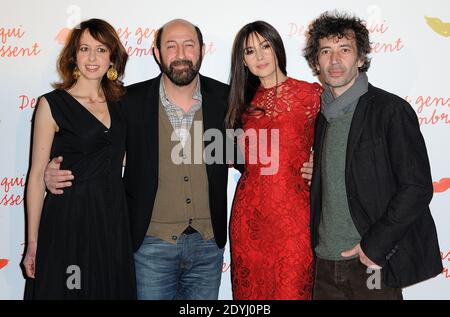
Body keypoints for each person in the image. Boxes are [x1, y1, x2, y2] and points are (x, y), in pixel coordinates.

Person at [44, 19, 231, 300]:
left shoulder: (227, 99)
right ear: (156, 53)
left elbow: (249, 157)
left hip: (208, 248)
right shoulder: (127, 101)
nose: (180, 53)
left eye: (188, 45)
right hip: (150, 246)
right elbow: (96, 146)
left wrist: (306, 162)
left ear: (202, 50)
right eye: (171, 45)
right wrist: (54, 170)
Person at [303, 11, 443, 300]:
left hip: (369, 264)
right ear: (316, 62)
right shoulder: (322, 116)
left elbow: (416, 188)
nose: (335, 60)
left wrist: (374, 247)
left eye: (345, 50)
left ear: (360, 58)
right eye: (326, 51)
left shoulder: (390, 111)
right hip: (324, 265)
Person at [22, 18, 136, 299]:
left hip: (113, 220)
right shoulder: (52, 104)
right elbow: (37, 176)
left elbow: (126, 158)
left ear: (112, 57)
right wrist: (32, 243)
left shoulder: (122, 103)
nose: (92, 58)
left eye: (101, 49)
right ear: (74, 55)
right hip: (69, 220)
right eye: (85, 49)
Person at [226, 21, 322, 299]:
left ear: (277, 48)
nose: (260, 56)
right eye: (250, 51)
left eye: (265, 46)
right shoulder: (239, 103)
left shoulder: (311, 95)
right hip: (249, 219)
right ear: (242, 61)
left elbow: (339, 143)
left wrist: (321, 164)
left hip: (295, 219)